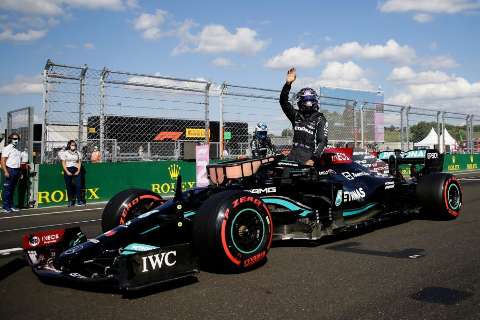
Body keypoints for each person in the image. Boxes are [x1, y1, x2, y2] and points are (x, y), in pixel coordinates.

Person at [279, 68, 328, 165]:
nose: (308, 104)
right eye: (305, 101)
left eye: (310, 101)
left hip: (309, 158)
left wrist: (313, 159)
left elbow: (322, 141)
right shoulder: (296, 115)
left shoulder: (320, 119)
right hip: (293, 155)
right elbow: (283, 102)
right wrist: (288, 84)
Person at [1, 133, 22, 213]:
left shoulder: (17, 149)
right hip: (10, 170)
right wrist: (5, 171)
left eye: (17, 139)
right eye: (14, 139)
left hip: (16, 170)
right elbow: (3, 161)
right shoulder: (7, 148)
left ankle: (11, 205)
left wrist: (20, 172)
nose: (16, 140)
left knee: (13, 189)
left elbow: (17, 162)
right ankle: (5, 207)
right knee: (7, 190)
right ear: (10, 139)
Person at [60, 140, 84, 207]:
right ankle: (70, 201)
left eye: (74, 145)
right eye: (72, 145)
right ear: (69, 145)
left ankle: (79, 201)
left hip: (76, 169)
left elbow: (79, 162)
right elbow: (63, 163)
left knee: (79, 185)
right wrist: (67, 171)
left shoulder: (78, 153)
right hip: (68, 169)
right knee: (69, 186)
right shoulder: (65, 153)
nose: (73, 146)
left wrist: (78, 170)